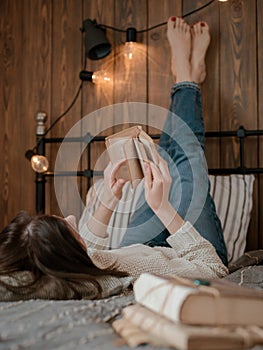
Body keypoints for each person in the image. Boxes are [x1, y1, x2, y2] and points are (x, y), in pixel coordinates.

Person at [0, 17, 228, 300]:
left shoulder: (64, 269)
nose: (73, 216)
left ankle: (187, 78)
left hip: (139, 248)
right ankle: (186, 76)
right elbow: (214, 270)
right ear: (69, 255)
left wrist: (108, 198)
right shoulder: (133, 275)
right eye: (68, 226)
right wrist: (163, 207)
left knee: (161, 158)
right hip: (189, 255)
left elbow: (89, 250)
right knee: (187, 155)